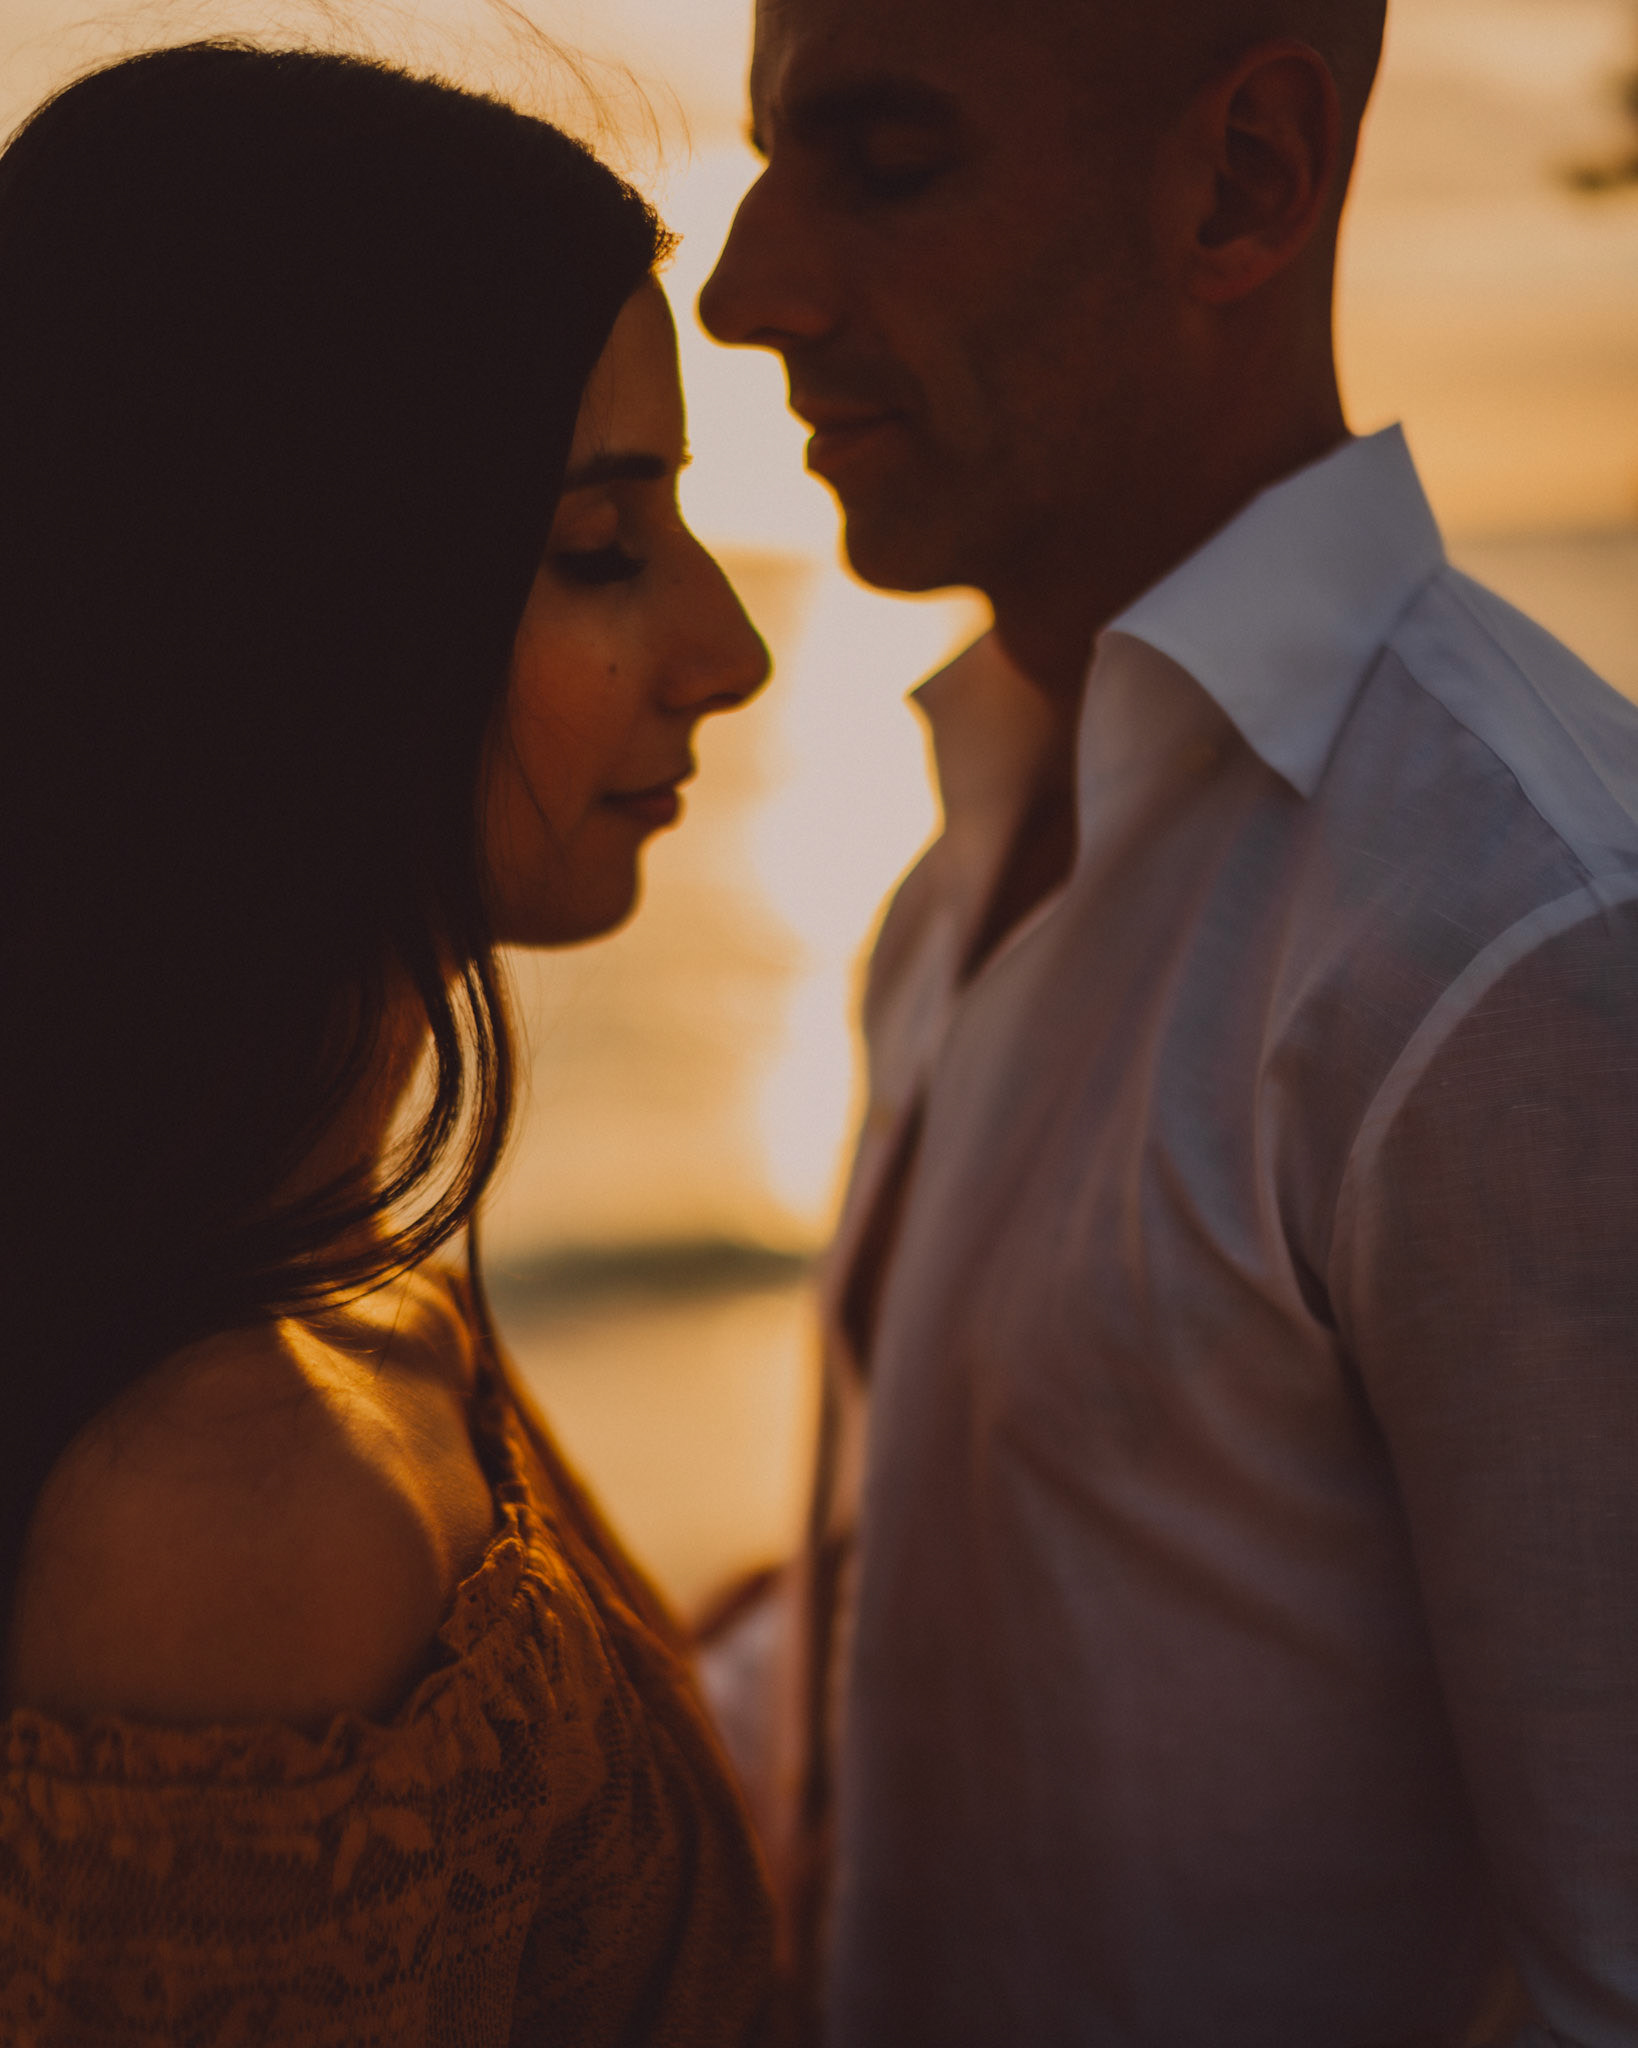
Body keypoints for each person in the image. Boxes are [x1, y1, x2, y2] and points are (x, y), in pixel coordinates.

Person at [699, 0, 1638, 2041]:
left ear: (1245, 183)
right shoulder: (951, 867)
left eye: (886, 157)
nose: (744, 285)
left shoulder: (1518, 941)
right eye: (767, 151)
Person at [0, 42, 782, 2043]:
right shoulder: (229, 1529)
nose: (731, 647)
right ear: (299, 604)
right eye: (601, 548)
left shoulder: (370, 1287)